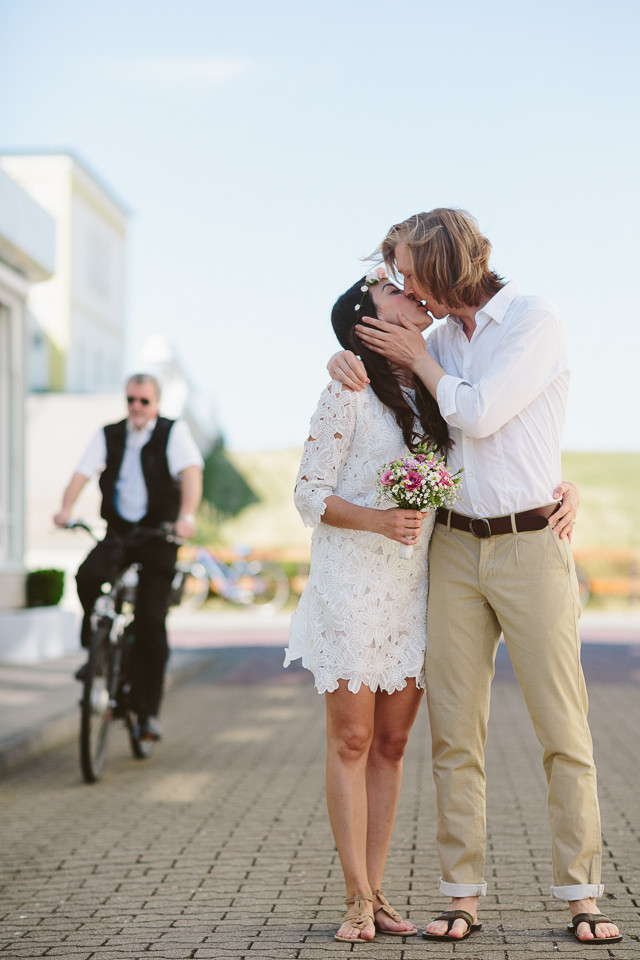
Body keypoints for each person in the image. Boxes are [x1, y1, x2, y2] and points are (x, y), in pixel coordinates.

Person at [328, 208, 621, 945]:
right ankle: (461, 896)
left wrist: (565, 485)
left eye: (403, 268)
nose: (398, 284)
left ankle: (582, 896)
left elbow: (483, 415)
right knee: (455, 735)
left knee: (563, 726)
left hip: (530, 544)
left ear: (439, 261)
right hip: (453, 549)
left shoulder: (530, 317)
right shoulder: (435, 338)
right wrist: (342, 363)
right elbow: (389, 406)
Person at [285, 267, 452, 942]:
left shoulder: (435, 388)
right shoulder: (347, 387)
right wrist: (380, 521)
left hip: (412, 593)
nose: (412, 294)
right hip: (352, 586)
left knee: (392, 742)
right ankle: (355, 897)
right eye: (393, 290)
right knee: (352, 738)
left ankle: (379, 893)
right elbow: (307, 495)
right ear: (365, 315)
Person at [54, 373, 203, 742]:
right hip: (119, 533)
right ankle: (97, 650)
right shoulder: (110, 434)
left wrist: (186, 516)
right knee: (87, 576)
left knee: (151, 622)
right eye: (131, 400)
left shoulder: (173, 433)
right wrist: (65, 508)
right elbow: (82, 472)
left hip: (159, 536)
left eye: (144, 401)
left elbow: (190, 473)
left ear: (156, 403)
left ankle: (147, 713)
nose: (136, 407)